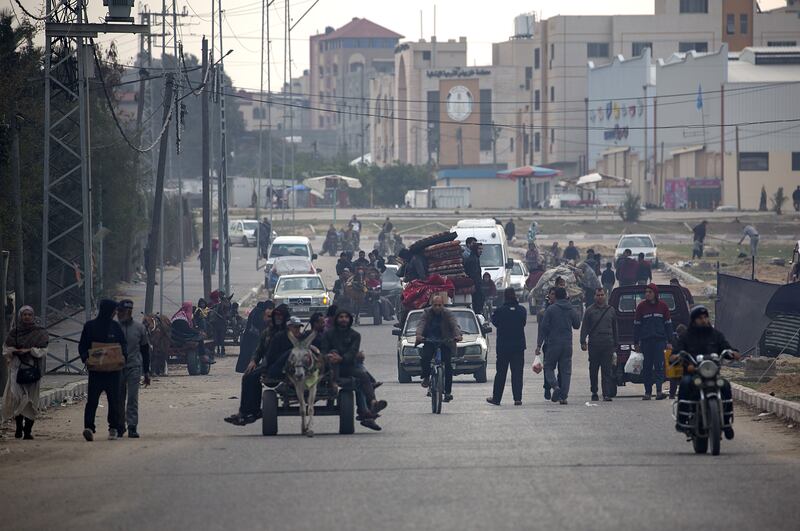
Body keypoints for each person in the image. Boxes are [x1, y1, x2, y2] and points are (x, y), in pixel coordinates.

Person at [673, 306, 739, 439]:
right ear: (693, 321)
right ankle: (682, 419)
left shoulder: (716, 335)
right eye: (700, 318)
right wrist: (677, 357)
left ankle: (726, 422)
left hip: (713, 375)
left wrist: (732, 353)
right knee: (685, 384)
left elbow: (726, 348)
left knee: (725, 386)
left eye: (705, 317)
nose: (703, 320)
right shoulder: (686, 336)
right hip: (693, 374)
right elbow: (676, 352)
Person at [225, 305, 290, 426]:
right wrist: (253, 360)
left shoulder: (288, 332)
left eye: (279, 317)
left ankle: (252, 411)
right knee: (248, 376)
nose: (274, 319)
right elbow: (259, 350)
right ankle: (245, 412)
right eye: (273, 316)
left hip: (284, 367)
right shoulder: (267, 332)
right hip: (269, 365)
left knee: (254, 377)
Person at [321, 310, 387, 429]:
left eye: (346, 317)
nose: (344, 319)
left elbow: (352, 353)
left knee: (363, 376)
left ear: (350, 320)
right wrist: (329, 356)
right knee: (333, 352)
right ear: (336, 319)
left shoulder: (355, 335)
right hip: (329, 368)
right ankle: (335, 383)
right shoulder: (328, 334)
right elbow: (324, 350)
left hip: (347, 366)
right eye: (341, 317)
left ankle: (373, 403)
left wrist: (341, 358)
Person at [79, 299, 127, 441]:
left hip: (113, 372)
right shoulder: (90, 327)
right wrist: (85, 358)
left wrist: (123, 357)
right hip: (96, 371)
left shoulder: (116, 327)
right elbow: (83, 346)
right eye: (114, 311)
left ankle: (113, 428)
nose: (115, 313)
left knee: (114, 400)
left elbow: (123, 345)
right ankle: (89, 427)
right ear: (109, 311)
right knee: (92, 400)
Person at [2, 306, 48, 440]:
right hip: (17, 370)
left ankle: (27, 431)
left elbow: (43, 350)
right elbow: (6, 350)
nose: (27, 317)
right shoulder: (14, 333)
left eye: (29, 314)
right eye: (24, 315)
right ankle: (18, 429)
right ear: (20, 317)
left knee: (31, 401)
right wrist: (15, 351)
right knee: (17, 399)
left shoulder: (40, 332)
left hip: (33, 370)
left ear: (33, 316)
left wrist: (29, 351)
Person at [536, 287, 580, 404]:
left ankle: (555, 387)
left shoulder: (551, 309)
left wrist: (539, 345)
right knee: (566, 371)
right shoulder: (570, 308)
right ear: (565, 296)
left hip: (553, 343)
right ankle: (563, 397)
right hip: (567, 344)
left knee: (549, 367)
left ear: (556, 296)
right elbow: (577, 325)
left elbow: (543, 327)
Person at [415, 296, 462, 403]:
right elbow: (421, 324)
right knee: (425, 358)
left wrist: (458, 335)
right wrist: (419, 335)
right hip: (429, 340)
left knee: (448, 366)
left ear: (443, 305)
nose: (437, 307)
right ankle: (426, 377)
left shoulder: (448, 314)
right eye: (435, 305)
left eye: (439, 305)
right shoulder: (426, 313)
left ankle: (448, 392)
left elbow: (454, 325)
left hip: (445, 341)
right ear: (432, 305)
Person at [115, 300, 151, 438]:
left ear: (129, 312)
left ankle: (132, 426)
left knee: (132, 398)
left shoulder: (139, 328)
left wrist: (146, 372)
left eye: (122, 312)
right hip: (117, 367)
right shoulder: (114, 327)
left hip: (134, 367)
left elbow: (145, 350)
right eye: (119, 312)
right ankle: (119, 425)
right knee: (118, 398)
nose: (120, 314)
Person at [633, 284, 674, 401]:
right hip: (646, 342)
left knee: (659, 367)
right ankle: (647, 392)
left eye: (650, 292)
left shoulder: (663, 306)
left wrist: (670, 341)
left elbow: (668, 325)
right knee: (647, 367)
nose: (647, 294)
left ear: (655, 293)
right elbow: (636, 326)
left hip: (660, 341)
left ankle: (659, 391)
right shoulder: (641, 307)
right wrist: (636, 343)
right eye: (646, 292)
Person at [487, 288, 527, 406]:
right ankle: (517, 398)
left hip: (503, 347)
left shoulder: (500, 311)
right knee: (517, 373)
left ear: (505, 297)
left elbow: (495, 322)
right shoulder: (521, 310)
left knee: (501, 373)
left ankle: (497, 398)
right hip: (518, 347)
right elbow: (523, 323)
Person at [580, 288, 618, 402]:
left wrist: (616, 344)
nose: (600, 297)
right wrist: (583, 341)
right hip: (594, 344)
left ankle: (606, 393)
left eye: (602, 295)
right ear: (594, 296)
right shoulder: (590, 311)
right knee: (593, 369)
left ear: (605, 296)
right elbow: (585, 327)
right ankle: (594, 391)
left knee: (607, 370)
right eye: (598, 295)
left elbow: (615, 328)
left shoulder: (611, 310)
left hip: (608, 344)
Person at [235, 300, 273, 373]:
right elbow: (259, 324)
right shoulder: (258, 313)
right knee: (253, 352)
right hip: (253, 336)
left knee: (247, 353)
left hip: (249, 336)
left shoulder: (255, 311)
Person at [464, 241, 484, 315]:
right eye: (479, 249)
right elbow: (474, 276)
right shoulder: (473, 260)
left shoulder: (475, 258)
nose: (481, 251)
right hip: (475, 287)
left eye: (482, 249)